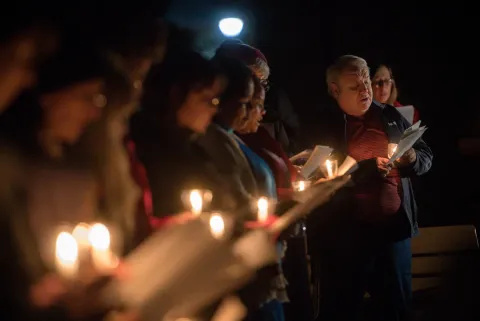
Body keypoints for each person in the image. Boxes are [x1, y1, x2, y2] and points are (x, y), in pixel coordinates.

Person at [309, 55, 432, 321]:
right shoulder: (323, 125)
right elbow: (314, 179)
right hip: (346, 240)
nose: (366, 89)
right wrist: (365, 169)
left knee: (396, 311)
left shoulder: (390, 115)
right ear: (334, 90)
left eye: (366, 79)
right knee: (342, 310)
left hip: (393, 235)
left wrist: (411, 159)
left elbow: (426, 158)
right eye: (355, 86)